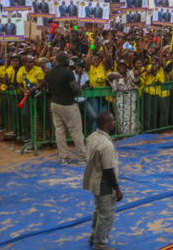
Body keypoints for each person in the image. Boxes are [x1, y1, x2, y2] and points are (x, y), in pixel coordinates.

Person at [83, 111, 123, 250]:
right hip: (104, 185)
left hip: (94, 180)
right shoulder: (106, 145)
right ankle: (100, 245)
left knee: (98, 210)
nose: (114, 121)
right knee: (106, 215)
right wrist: (117, 189)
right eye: (112, 120)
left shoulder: (92, 137)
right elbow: (108, 170)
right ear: (106, 124)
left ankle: (94, 235)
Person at [46, 51, 87, 165]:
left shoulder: (49, 73)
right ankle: (82, 156)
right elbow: (76, 90)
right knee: (76, 131)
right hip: (68, 105)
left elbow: (49, 90)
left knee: (59, 131)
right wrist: (79, 78)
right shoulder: (68, 73)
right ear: (64, 60)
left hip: (55, 104)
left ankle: (64, 157)